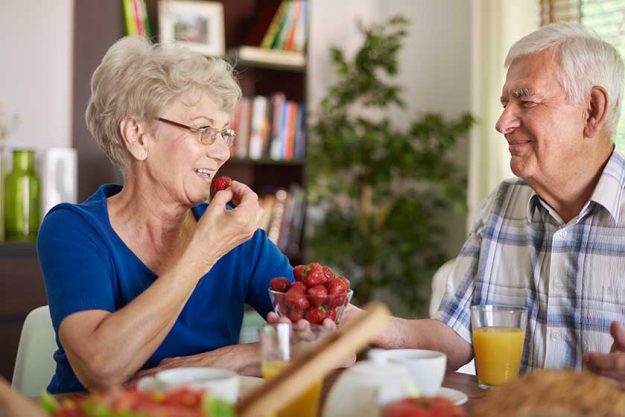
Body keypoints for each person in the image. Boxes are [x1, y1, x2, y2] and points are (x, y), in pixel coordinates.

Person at [348, 22, 625, 387]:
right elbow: (454, 334)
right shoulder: (503, 205)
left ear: (592, 109)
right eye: (504, 103)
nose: (502, 122)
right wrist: (353, 322)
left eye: (525, 100)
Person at [37, 36, 293, 393]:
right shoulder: (74, 229)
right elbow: (101, 369)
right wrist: (204, 252)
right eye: (204, 130)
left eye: (225, 133)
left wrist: (228, 359)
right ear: (138, 136)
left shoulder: (236, 235)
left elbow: (330, 335)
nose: (221, 151)